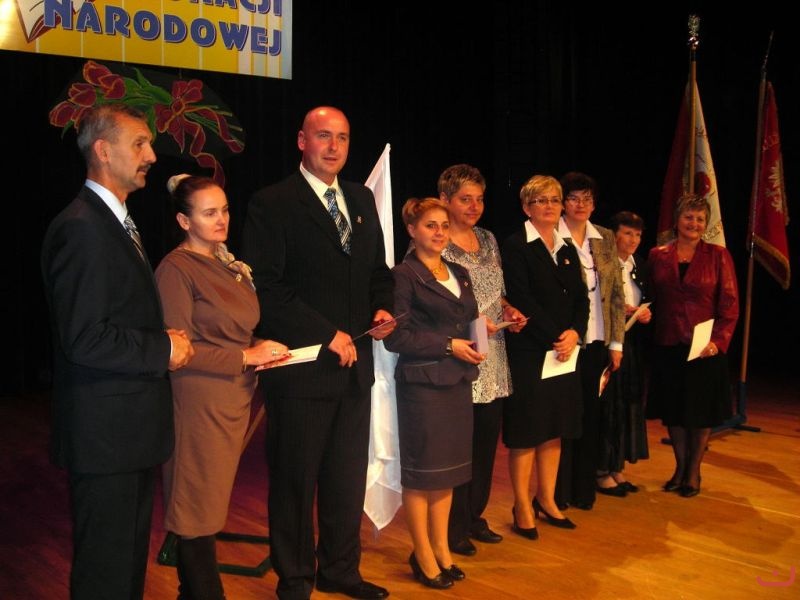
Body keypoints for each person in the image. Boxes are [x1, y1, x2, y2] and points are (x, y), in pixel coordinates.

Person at [40, 103, 194, 600]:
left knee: (125, 570)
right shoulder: (82, 227)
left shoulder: (114, 220)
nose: (152, 155)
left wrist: (158, 336)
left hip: (126, 434)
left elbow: (112, 318)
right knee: (105, 574)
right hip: (106, 438)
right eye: (140, 144)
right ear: (103, 151)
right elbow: (85, 337)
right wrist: (162, 348)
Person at [241, 106, 395, 600]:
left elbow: (377, 271)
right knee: (295, 482)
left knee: (345, 481)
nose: (334, 146)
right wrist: (326, 333)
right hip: (303, 370)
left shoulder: (360, 198)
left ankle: (340, 571)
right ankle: (295, 580)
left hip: (354, 370)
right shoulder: (272, 202)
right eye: (323, 136)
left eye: (342, 138)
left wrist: (382, 307)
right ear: (302, 141)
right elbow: (267, 286)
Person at [155, 174, 290, 599]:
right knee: (195, 509)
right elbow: (179, 351)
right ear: (184, 221)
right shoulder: (176, 269)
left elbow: (230, 333)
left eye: (225, 210)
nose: (222, 219)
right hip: (198, 400)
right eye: (209, 213)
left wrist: (261, 348)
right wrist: (247, 356)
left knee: (208, 507)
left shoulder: (225, 263)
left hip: (232, 397)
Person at [384, 197, 485, 589]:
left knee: (447, 474)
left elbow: (465, 319)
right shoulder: (402, 275)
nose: (440, 232)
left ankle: (442, 548)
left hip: (457, 381)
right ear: (412, 230)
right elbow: (397, 336)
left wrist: (481, 334)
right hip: (423, 386)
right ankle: (422, 553)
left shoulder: (459, 271)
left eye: (444, 225)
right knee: (422, 475)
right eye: (431, 225)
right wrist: (448, 345)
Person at [433, 164, 526, 557]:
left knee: (486, 444)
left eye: (479, 199)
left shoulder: (488, 238)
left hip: (493, 355)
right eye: (464, 199)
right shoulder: (434, 243)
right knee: (458, 449)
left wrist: (509, 310)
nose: (474, 206)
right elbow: (427, 307)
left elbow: (495, 292)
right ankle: (451, 528)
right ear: (444, 200)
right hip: (459, 357)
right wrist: (470, 323)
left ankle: (474, 516)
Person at [501, 175, 588, 538]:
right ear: (527, 207)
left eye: (555, 200)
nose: (550, 206)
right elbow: (522, 299)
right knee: (527, 431)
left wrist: (575, 333)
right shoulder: (515, 246)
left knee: (554, 428)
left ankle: (547, 499)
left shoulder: (566, 246)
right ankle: (522, 505)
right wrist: (557, 337)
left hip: (563, 352)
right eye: (541, 200)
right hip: (530, 352)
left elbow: (581, 298)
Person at [647, 194, 739, 498]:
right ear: (677, 220)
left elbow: (730, 304)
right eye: (689, 217)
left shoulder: (718, 255)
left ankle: (693, 472)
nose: (694, 223)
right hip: (669, 343)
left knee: (700, 413)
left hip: (704, 348)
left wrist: (718, 342)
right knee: (673, 410)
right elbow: (650, 297)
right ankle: (679, 468)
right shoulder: (658, 254)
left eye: (700, 219)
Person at [555, 171, 626, 510]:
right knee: (564, 419)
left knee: (591, 417)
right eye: (573, 198)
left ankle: (583, 490)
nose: (581, 204)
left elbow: (616, 294)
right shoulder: (552, 235)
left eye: (587, 199)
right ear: (562, 203)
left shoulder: (605, 237)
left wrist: (616, 343)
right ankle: (558, 494)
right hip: (565, 343)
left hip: (598, 341)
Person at [599, 211, 653, 493]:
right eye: (628, 233)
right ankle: (601, 470)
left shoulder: (639, 265)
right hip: (607, 342)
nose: (633, 240)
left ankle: (617, 466)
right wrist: (620, 311)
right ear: (614, 235)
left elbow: (647, 299)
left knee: (627, 406)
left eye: (638, 235)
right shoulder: (603, 263)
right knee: (608, 407)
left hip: (631, 344)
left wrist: (644, 313)